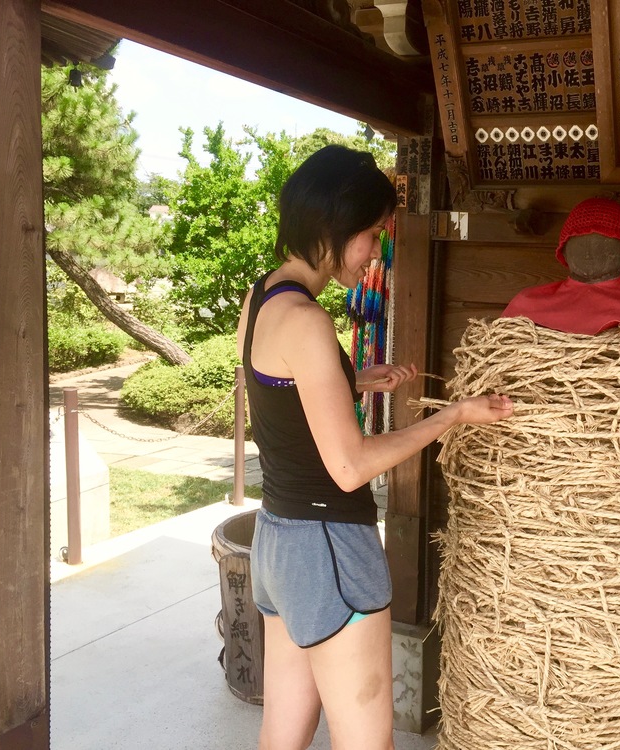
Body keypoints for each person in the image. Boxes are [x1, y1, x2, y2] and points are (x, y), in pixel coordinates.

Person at [236, 144, 514, 750]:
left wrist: (348, 379)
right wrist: (455, 416)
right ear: (336, 229)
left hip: (278, 543)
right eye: (372, 236)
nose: (373, 254)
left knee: (283, 729)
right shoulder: (309, 322)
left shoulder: (263, 296)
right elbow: (350, 466)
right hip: (330, 550)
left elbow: (271, 389)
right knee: (367, 741)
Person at [501, 197, 620, 334]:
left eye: (605, 244)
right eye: (580, 243)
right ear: (563, 251)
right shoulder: (530, 300)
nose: (590, 252)